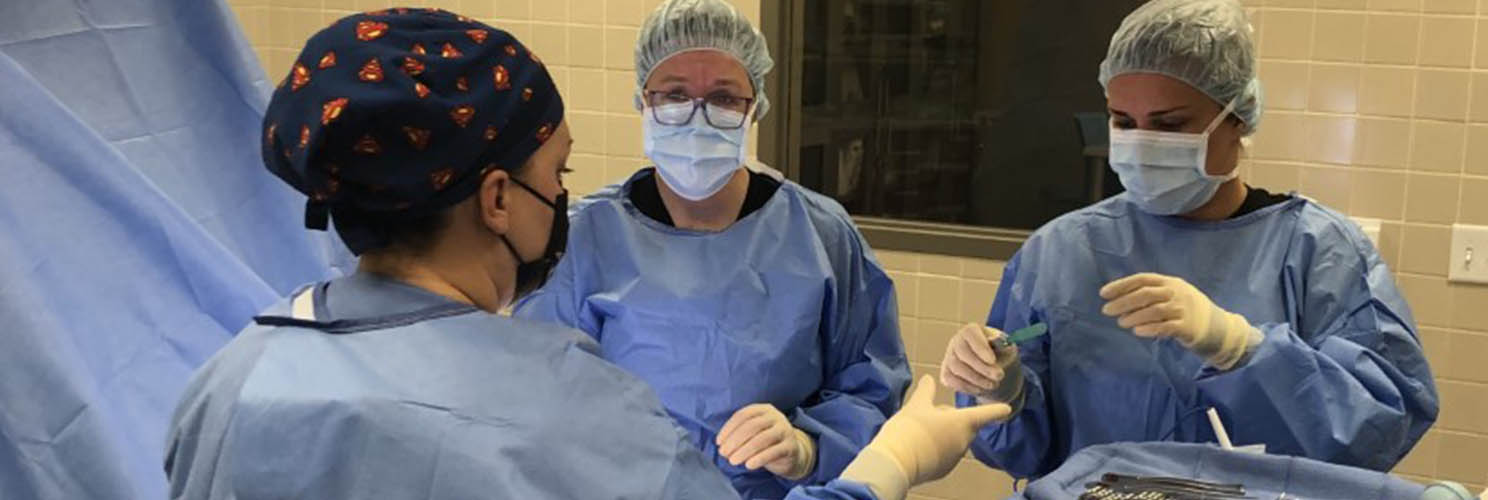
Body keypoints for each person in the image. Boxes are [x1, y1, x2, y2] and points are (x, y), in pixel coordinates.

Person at [163, 10, 1004, 500]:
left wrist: (815, 445)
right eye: (555, 172)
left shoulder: (230, 378)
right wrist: (889, 467)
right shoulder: (557, 410)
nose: (565, 199)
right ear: (497, 198)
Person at [939, 0, 1439, 480]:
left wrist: (1239, 347)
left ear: (1238, 116)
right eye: (1123, 122)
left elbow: (1382, 427)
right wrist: (1000, 390)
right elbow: (1022, 450)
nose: (1141, 143)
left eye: (1169, 124)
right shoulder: (1062, 252)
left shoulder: (1319, 252)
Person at [514, 1, 910, 497]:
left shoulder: (820, 235)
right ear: (643, 100)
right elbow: (537, 399)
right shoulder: (585, 238)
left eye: (724, 98)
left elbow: (873, 385)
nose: (697, 118)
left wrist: (809, 444)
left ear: (755, 106)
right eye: (675, 95)